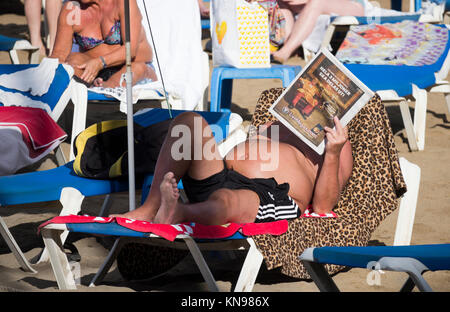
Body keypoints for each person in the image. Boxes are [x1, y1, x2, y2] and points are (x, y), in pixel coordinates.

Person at [114, 111, 353, 225]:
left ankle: (179, 213)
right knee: (188, 124)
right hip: (223, 175)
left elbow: (324, 206)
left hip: (272, 195)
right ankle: (149, 208)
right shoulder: (282, 119)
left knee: (227, 199)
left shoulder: (339, 142)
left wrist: (332, 152)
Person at [50, 0, 157, 88]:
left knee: (135, 69)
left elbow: (131, 50)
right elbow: (59, 55)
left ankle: (108, 87)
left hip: (133, 67)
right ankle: (92, 87)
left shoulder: (123, 3)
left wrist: (100, 62)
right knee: (70, 63)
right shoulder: (71, 9)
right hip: (93, 71)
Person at [271, 0, 365, 63]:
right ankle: (288, 45)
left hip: (353, 5)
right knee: (280, 3)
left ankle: (286, 51)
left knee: (316, 2)